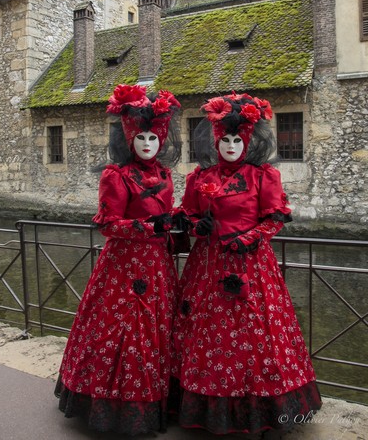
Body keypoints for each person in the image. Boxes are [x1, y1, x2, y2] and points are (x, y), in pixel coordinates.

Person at [171, 92, 322, 435]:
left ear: (248, 141)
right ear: (215, 141)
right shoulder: (199, 178)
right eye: (224, 140)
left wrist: (251, 237)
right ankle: (207, 408)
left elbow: (274, 219)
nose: (230, 147)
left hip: (250, 266)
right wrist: (198, 226)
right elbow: (189, 214)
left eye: (237, 141)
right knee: (206, 335)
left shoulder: (262, 176)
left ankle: (259, 410)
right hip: (208, 267)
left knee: (257, 332)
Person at [55, 83, 182, 435]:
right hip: (123, 267)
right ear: (128, 139)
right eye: (140, 138)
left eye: (153, 139)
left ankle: (157, 398)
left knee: (155, 333)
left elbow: (166, 214)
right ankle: (116, 406)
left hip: (158, 266)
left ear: (161, 140)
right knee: (123, 331)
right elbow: (109, 224)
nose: (146, 144)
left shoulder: (165, 174)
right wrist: (147, 227)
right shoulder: (116, 175)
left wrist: (178, 221)